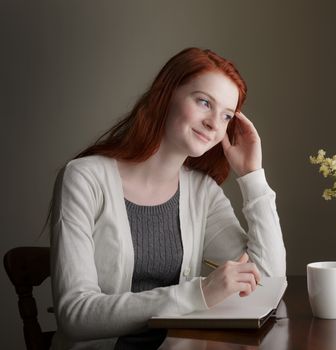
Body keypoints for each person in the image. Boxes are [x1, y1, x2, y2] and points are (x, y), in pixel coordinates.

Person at [46, 47, 286, 349]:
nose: (214, 123)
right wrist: (199, 293)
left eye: (226, 116)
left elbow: (268, 280)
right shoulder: (84, 178)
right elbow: (74, 314)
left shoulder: (202, 192)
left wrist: (253, 176)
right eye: (204, 102)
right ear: (166, 95)